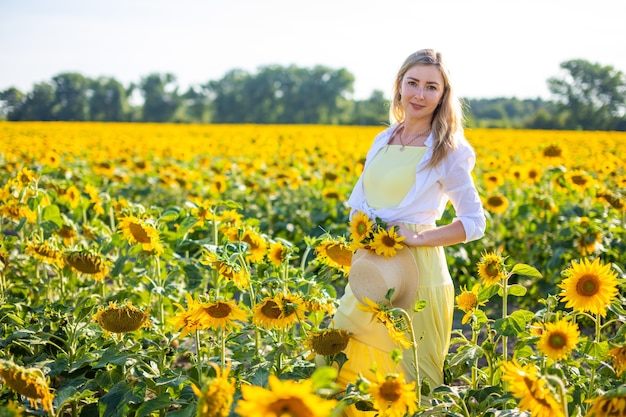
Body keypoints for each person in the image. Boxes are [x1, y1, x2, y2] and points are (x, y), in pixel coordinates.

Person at [331, 49, 486, 414]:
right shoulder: (383, 139)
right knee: (342, 362)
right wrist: (363, 234)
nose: (419, 94)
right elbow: (358, 202)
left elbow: (474, 222)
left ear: (443, 95)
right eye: (412, 82)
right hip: (372, 268)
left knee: (403, 378)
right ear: (399, 85)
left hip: (417, 273)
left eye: (431, 87)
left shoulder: (448, 150)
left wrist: (417, 237)